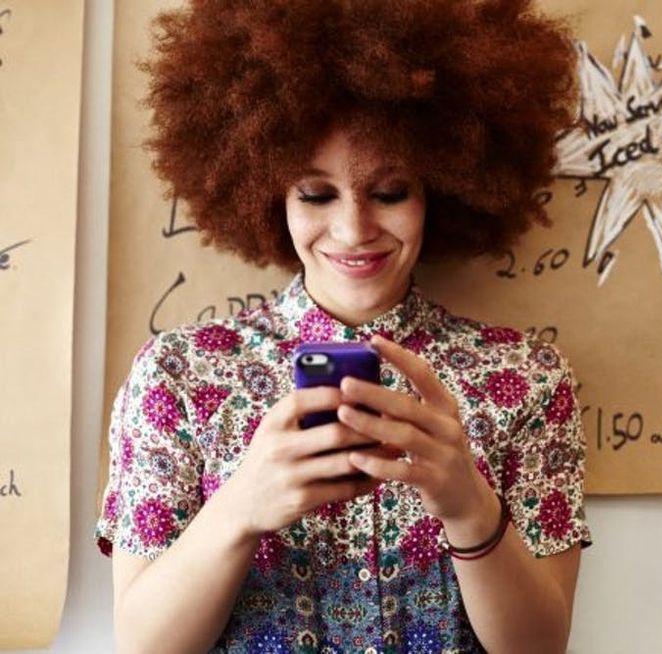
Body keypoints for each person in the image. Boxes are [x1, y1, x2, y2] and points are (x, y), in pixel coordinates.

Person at [94, 1, 591, 652]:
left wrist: (468, 505)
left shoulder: (526, 380)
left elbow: (539, 648)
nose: (354, 230)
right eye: (316, 193)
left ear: (440, 189)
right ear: (267, 191)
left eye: (389, 192)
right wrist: (242, 508)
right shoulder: (179, 377)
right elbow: (142, 647)